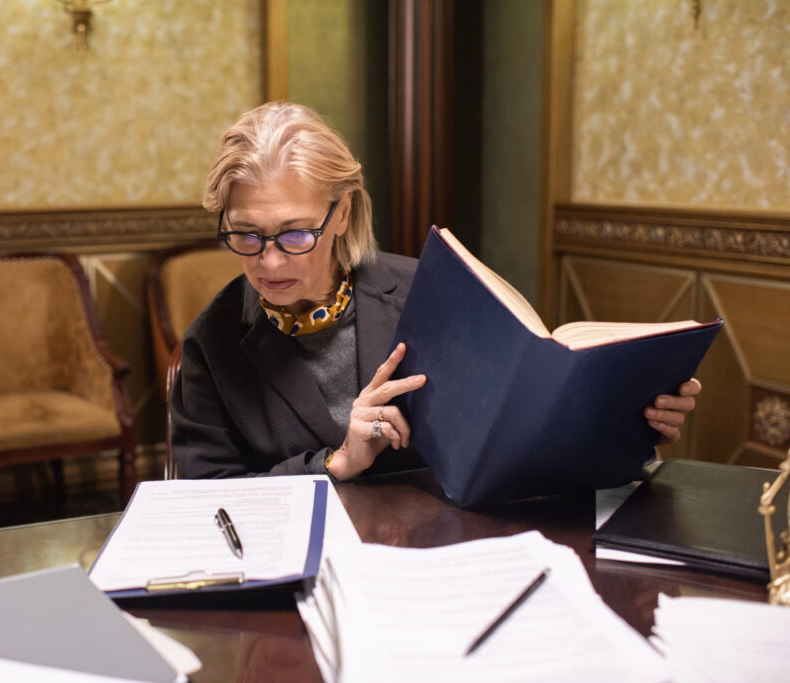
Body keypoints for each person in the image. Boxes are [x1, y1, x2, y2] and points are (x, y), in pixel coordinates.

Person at [171, 101, 700, 482]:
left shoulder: (433, 294)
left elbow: (521, 438)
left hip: (446, 553)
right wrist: (336, 464)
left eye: (294, 234)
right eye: (244, 234)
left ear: (343, 214)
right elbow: (205, 505)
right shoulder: (211, 344)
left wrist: (632, 421)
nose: (268, 260)